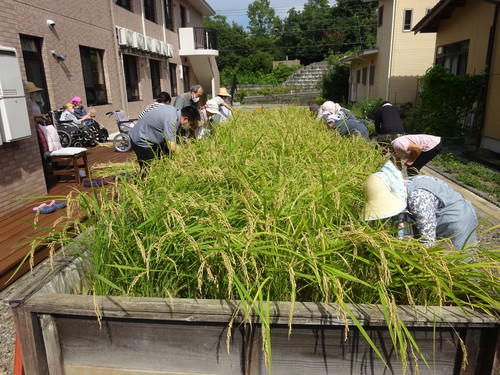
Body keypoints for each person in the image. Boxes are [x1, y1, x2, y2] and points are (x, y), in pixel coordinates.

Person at [362, 161, 478, 250]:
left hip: (457, 220)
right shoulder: (401, 186)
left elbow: (428, 241)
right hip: (442, 212)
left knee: (461, 258)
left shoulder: (417, 198)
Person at [129, 104, 201, 172]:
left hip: (148, 137)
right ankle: (143, 183)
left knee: (161, 161)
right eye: (191, 123)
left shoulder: (174, 112)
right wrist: (188, 154)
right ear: (185, 119)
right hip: (141, 140)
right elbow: (171, 146)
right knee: (150, 168)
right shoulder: (171, 120)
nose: (191, 126)